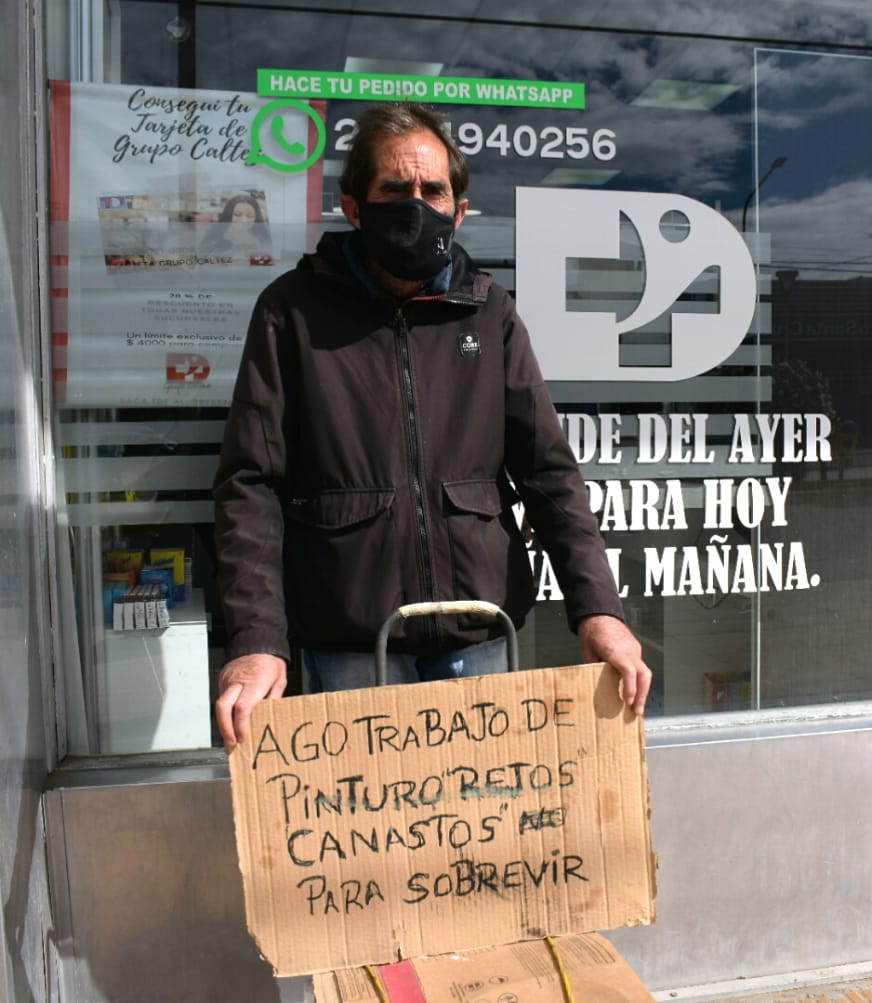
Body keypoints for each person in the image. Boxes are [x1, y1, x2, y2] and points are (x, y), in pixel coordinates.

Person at [212, 103, 650, 750]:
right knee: (368, 834)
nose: (414, 206)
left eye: (432, 190)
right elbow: (251, 485)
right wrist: (256, 641)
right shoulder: (292, 313)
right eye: (394, 190)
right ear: (354, 207)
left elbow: (549, 472)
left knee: (480, 827)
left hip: (479, 630)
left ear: (459, 209)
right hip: (350, 642)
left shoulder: (489, 312)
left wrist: (600, 611)